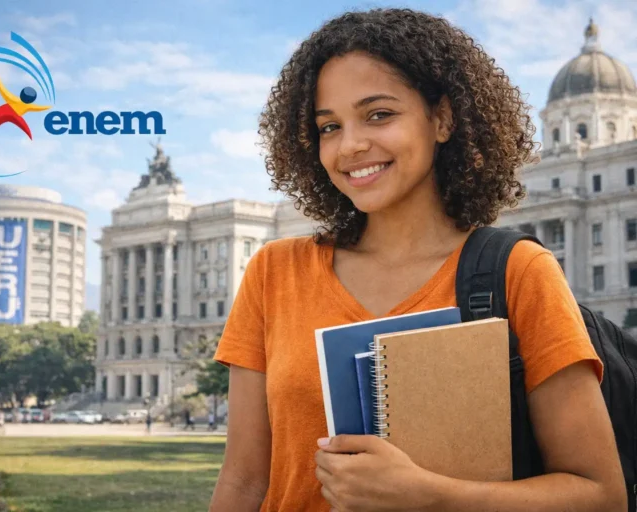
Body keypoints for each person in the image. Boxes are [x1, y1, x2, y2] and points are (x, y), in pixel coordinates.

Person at [209, 8, 626, 512]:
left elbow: (601, 495)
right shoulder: (274, 272)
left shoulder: (519, 271)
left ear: (443, 118)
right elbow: (244, 484)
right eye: (328, 126)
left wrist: (431, 496)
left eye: (379, 114)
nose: (351, 145)